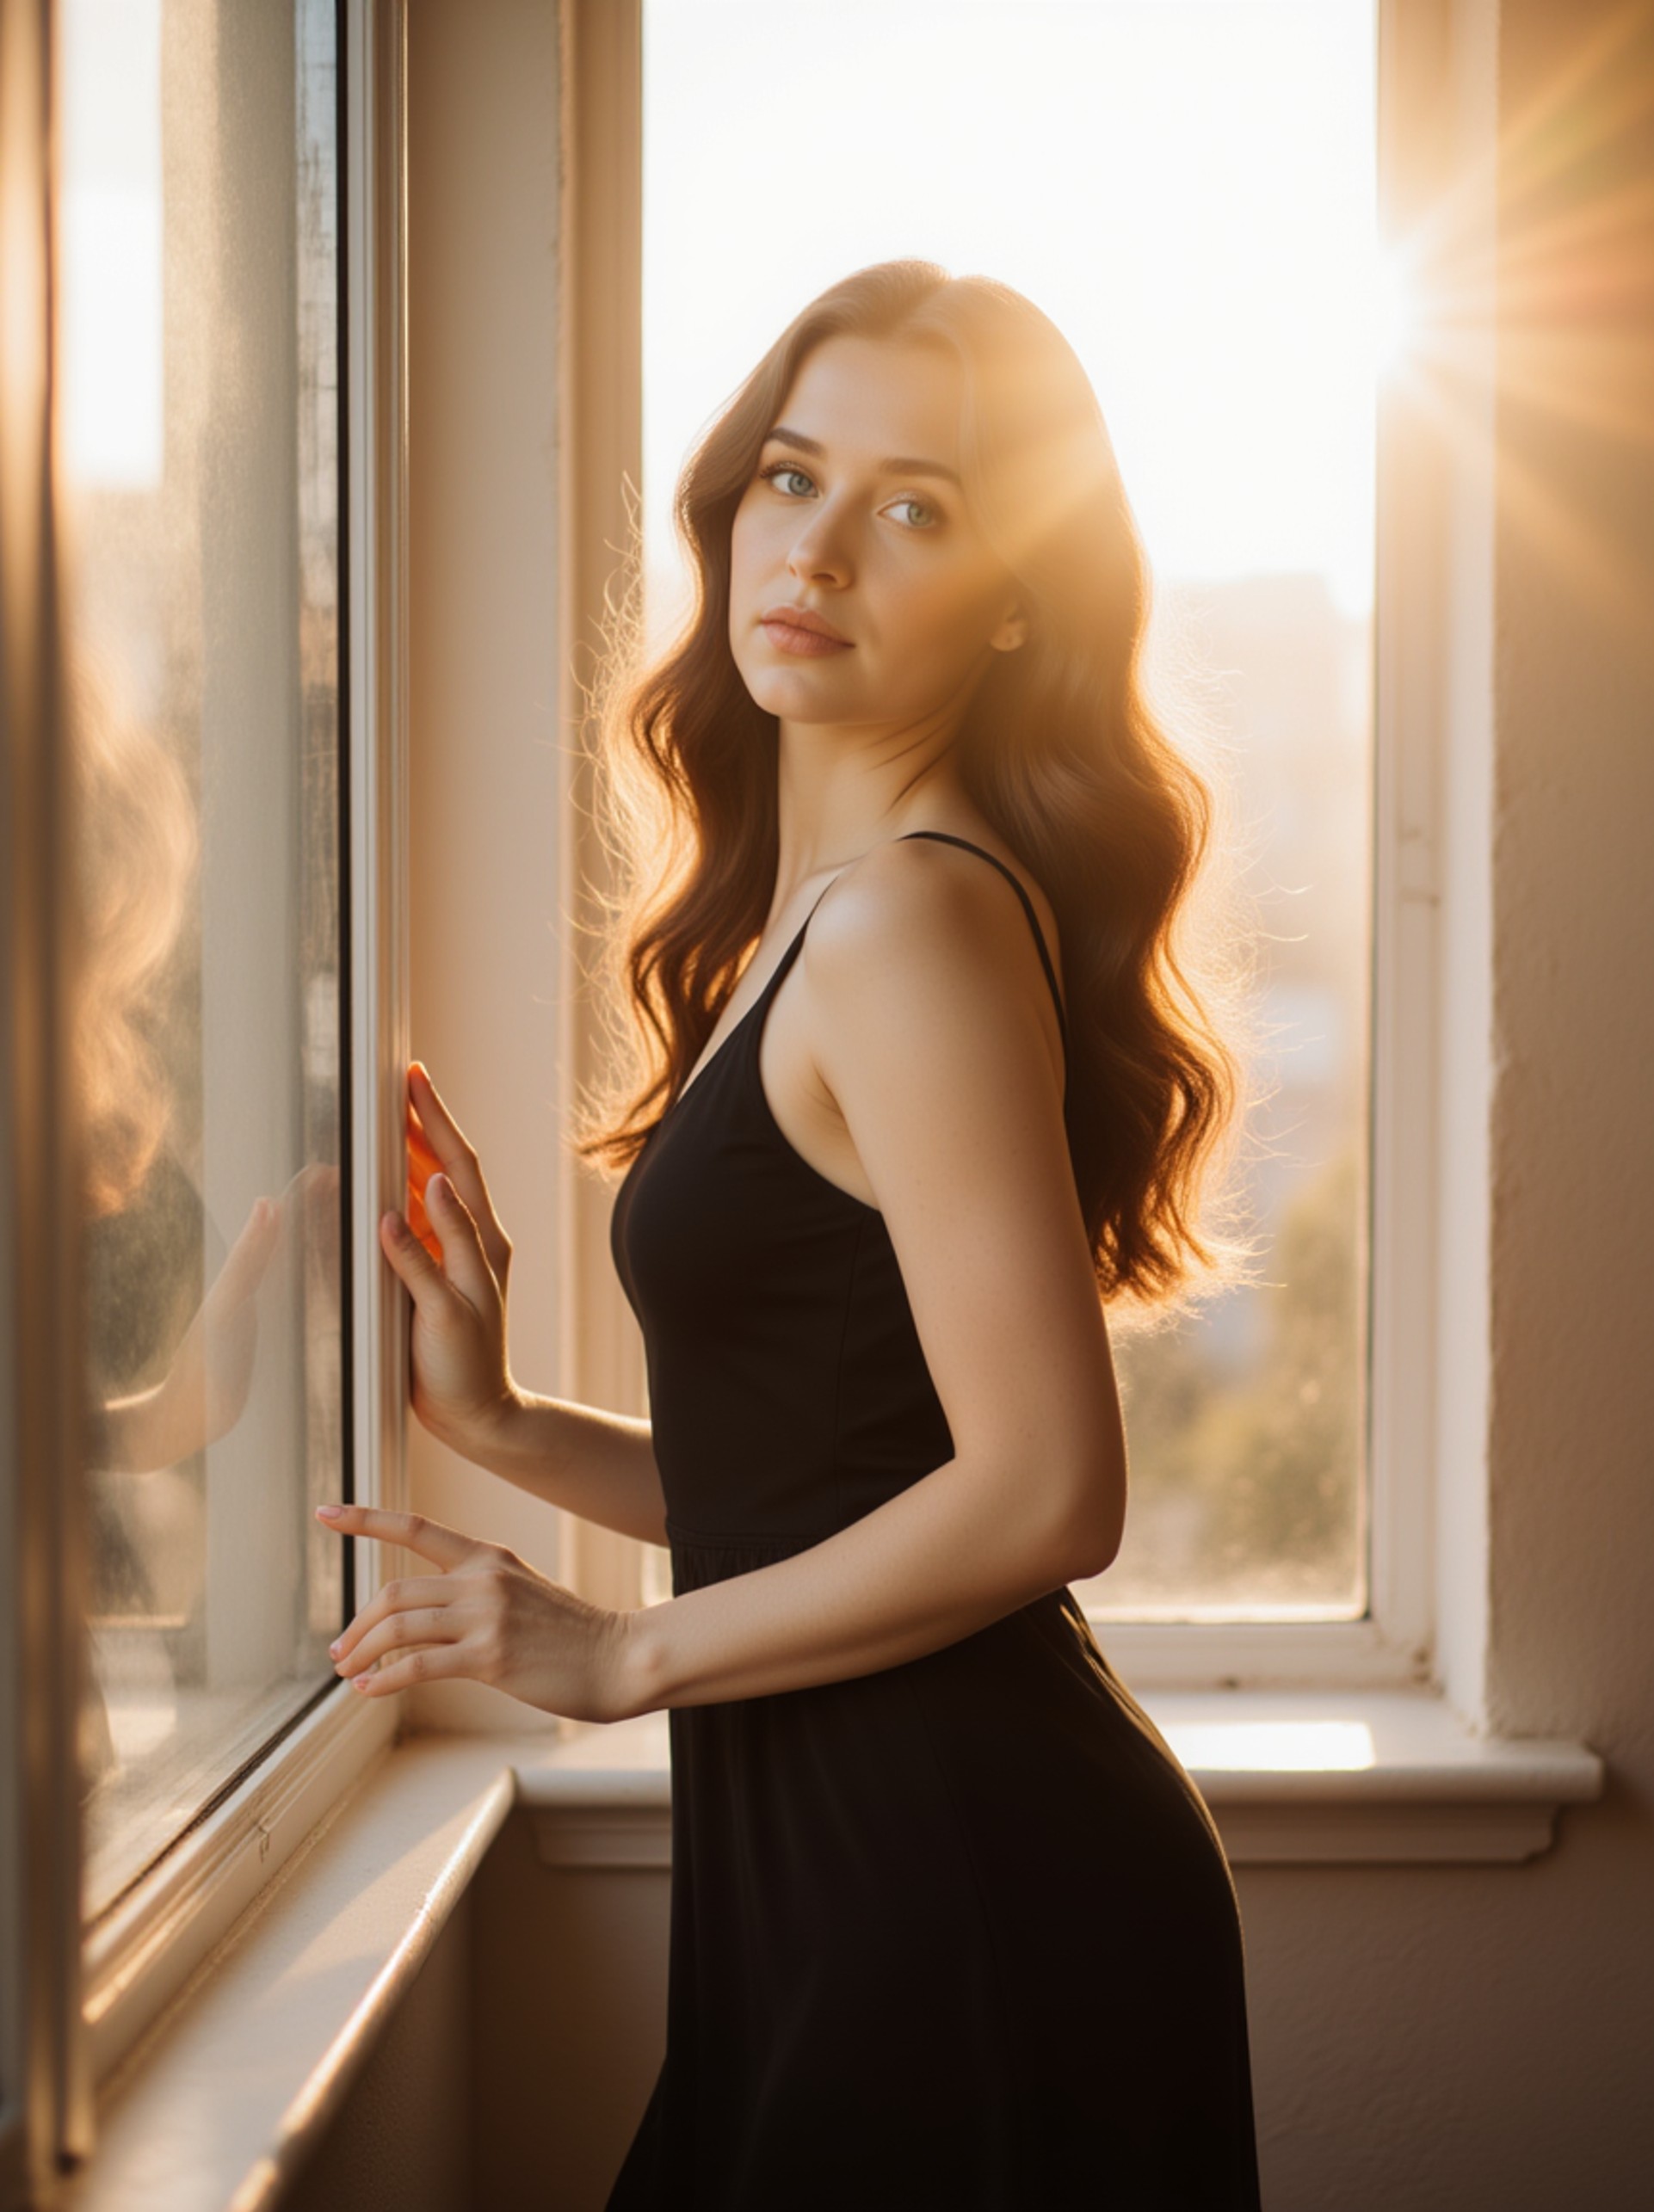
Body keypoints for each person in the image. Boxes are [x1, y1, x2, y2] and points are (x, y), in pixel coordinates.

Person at [318, 259, 1264, 2208]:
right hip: (849, 1875)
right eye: (789, 475)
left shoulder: (910, 924)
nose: (818, 546)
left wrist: (614, 1652)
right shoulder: (813, 933)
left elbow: (1042, 1493)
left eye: (913, 505)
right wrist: (500, 1423)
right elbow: (835, 1479)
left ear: (1016, 594)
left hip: (966, 1886)